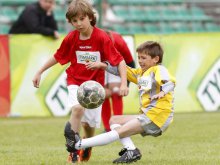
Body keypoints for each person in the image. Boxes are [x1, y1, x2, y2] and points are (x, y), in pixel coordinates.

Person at [32, 0, 128, 163]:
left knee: (89, 126)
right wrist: (39, 71)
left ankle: (87, 144)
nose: (78, 24)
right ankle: (74, 151)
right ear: (70, 22)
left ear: (90, 17)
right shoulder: (71, 38)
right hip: (75, 81)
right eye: (74, 21)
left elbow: (120, 61)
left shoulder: (102, 37)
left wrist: (124, 83)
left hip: (95, 87)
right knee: (77, 109)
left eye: (81, 19)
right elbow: (58, 56)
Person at [65, 41, 176, 163]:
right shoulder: (141, 73)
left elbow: (170, 82)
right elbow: (123, 70)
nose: (140, 60)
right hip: (149, 114)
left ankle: (78, 144)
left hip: (158, 115)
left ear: (156, 59)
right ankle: (131, 150)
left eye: (143, 58)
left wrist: (162, 92)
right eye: (138, 57)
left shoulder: (158, 69)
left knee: (119, 132)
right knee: (114, 120)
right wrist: (103, 65)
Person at [103, 30, 135, 132]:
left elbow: (130, 62)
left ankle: (117, 126)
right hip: (100, 65)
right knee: (102, 94)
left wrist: (125, 85)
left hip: (117, 64)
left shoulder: (120, 42)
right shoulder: (94, 42)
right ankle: (107, 128)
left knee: (116, 91)